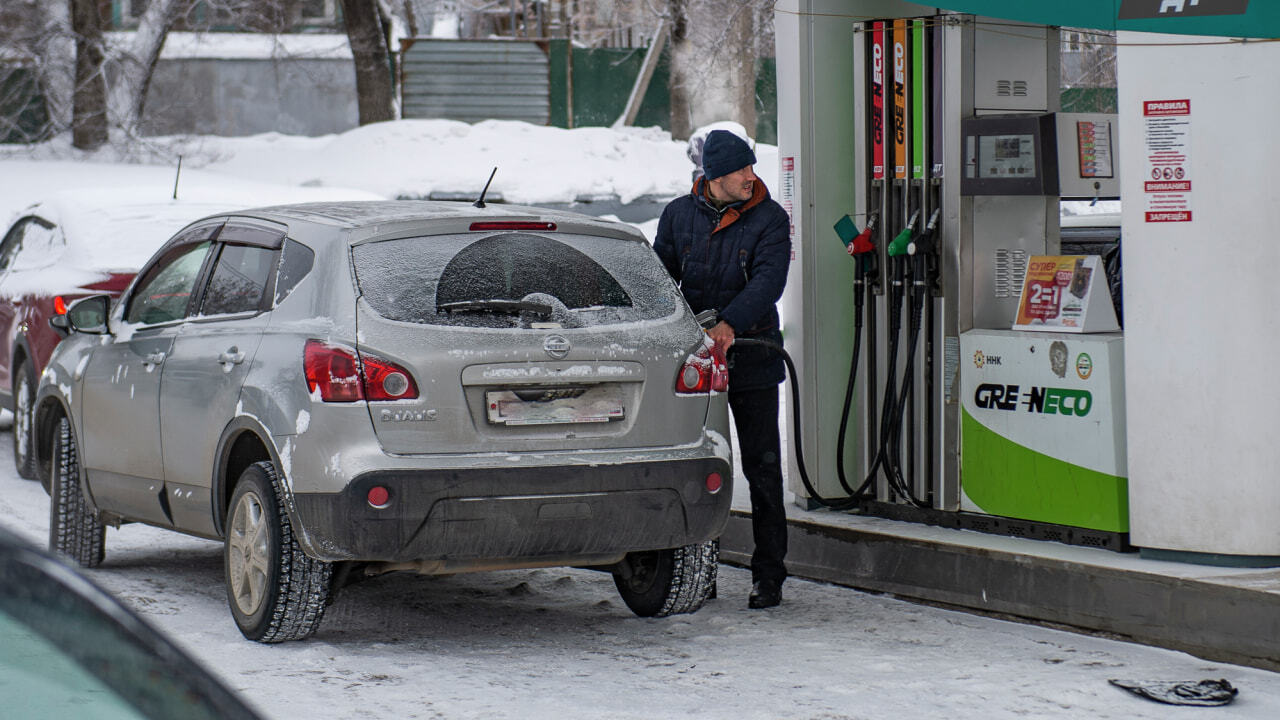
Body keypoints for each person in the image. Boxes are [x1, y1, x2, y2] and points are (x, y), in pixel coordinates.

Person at [653, 129, 792, 609]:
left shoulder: (770, 218)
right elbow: (660, 276)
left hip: (751, 356)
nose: (751, 177)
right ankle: (701, 572)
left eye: (753, 168)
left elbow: (770, 281)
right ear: (713, 176)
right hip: (696, 366)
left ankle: (769, 574)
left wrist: (730, 323)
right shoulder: (677, 216)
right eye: (741, 171)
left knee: (763, 469)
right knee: (699, 469)